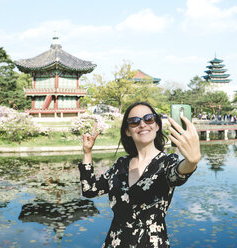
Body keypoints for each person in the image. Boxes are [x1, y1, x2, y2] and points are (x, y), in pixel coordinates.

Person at [78, 102, 201, 247]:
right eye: (134, 122)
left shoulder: (167, 162)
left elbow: (178, 173)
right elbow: (89, 190)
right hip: (115, 243)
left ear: (157, 125)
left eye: (148, 119)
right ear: (128, 131)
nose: (142, 124)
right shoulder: (121, 164)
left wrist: (191, 162)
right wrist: (87, 152)